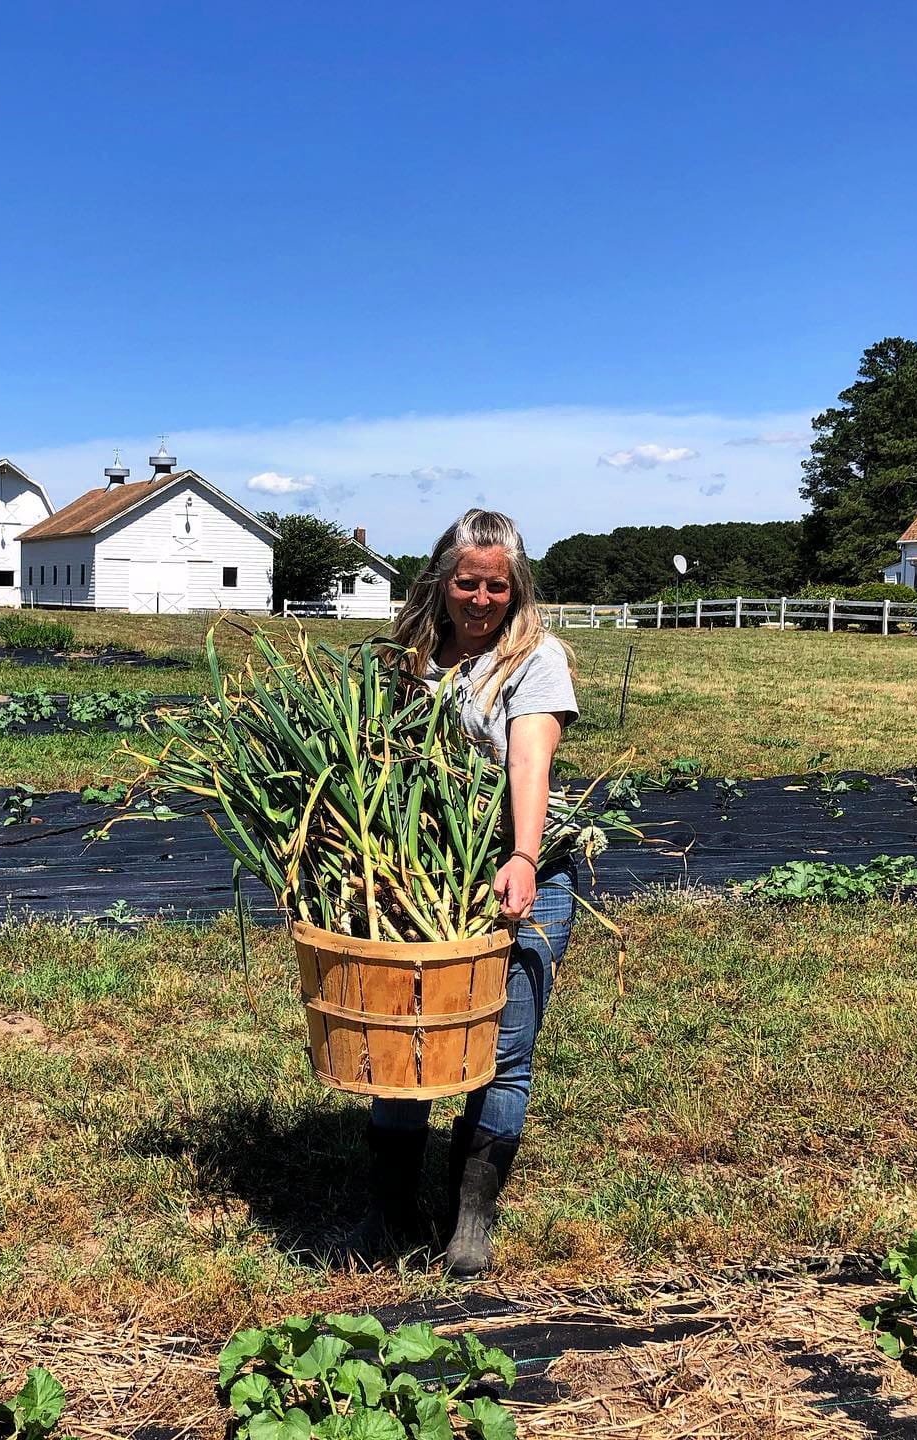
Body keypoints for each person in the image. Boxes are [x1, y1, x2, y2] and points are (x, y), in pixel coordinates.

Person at [359, 507, 579, 1277]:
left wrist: (521, 853)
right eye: (467, 583)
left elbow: (528, 764)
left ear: (515, 587)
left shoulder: (535, 658)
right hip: (417, 876)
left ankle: (470, 1217)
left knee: (504, 1049)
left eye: (496, 586)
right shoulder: (405, 659)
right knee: (404, 1046)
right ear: (441, 581)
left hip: (522, 870)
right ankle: (393, 1209)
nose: (481, 600)